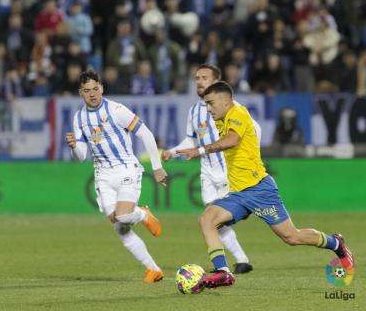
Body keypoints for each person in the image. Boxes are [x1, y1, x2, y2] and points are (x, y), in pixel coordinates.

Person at [176, 81, 355, 288]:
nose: (207, 108)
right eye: (205, 104)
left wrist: (198, 151)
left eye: (210, 103)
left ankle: (336, 243)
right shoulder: (220, 119)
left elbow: (233, 140)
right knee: (207, 219)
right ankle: (223, 272)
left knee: (292, 237)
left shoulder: (238, 113)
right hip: (239, 193)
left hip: (260, 189)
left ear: (226, 101)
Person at [65, 69, 167, 283]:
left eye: (95, 89)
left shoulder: (116, 110)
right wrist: (74, 147)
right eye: (87, 91)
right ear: (80, 93)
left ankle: (143, 214)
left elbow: (145, 133)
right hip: (102, 175)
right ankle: (153, 269)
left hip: (126, 169)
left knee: (123, 216)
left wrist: (156, 167)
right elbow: (81, 157)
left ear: (101, 87)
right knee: (119, 225)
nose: (92, 94)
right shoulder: (80, 118)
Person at [162, 64, 254, 274]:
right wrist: (173, 152)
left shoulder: (232, 108)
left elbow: (250, 131)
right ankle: (241, 260)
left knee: (213, 219)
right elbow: (190, 139)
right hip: (207, 173)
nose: (199, 81)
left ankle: (235, 261)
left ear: (216, 81)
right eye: (197, 78)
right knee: (213, 221)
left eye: (204, 77)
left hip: (226, 171)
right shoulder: (195, 110)